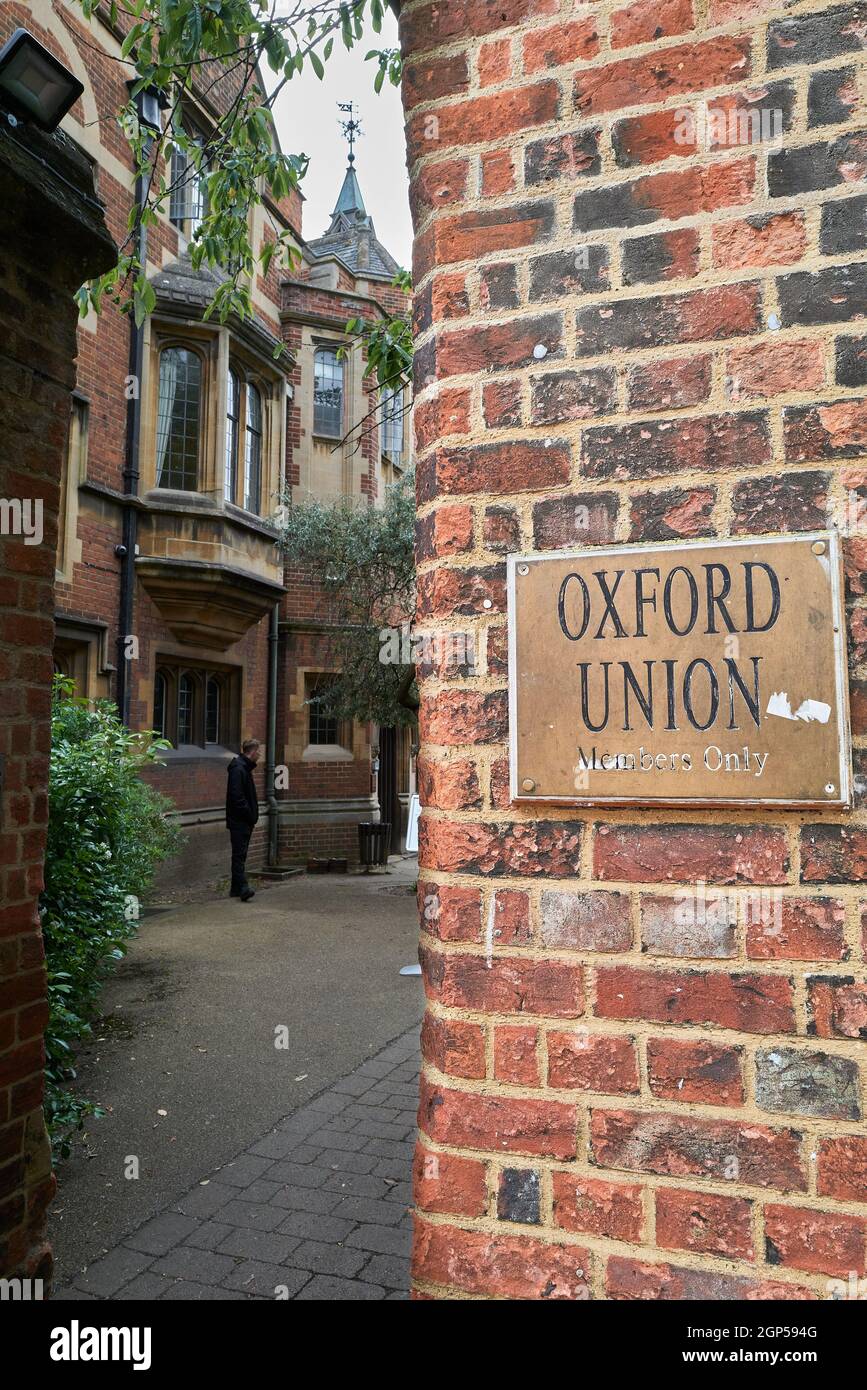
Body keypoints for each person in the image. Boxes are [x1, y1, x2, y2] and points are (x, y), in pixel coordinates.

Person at [225, 738, 261, 901]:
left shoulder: (243, 768)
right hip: (239, 820)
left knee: (241, 854)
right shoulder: (239, 769)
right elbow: (237, 796)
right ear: (252, 752)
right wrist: (248, 814)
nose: (259, 755)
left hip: (243, 820)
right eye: (258, 752)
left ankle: (235, 888)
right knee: (239, 855)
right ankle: (243, 887)